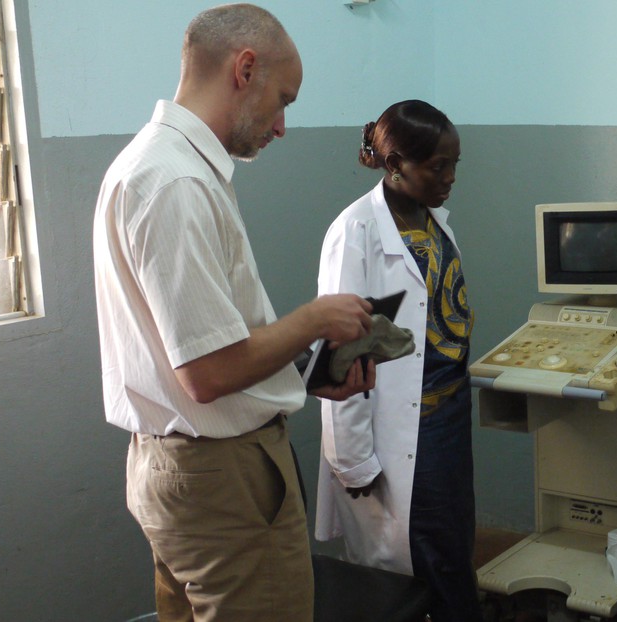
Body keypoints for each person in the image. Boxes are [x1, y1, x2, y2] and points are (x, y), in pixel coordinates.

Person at [92, 5, 377, 621]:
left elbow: (201, 348)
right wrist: (315, 319)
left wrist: (304, 371)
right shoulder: (175, 184)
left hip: (176, 467)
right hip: (222, 479)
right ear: (245, 69)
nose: (281, 126)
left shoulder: (159, 168)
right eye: (283, 100)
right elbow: (208, 374)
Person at [315, 100, 479, 621]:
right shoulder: (356, 233)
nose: (451, 177)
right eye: (438, 166)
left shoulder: (433, 224)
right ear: (395, 165)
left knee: (452, 553)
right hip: (403, 432)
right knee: (415, 569)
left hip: (446, 417)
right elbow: (338, 360)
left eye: (455, 163)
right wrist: (352, 461)